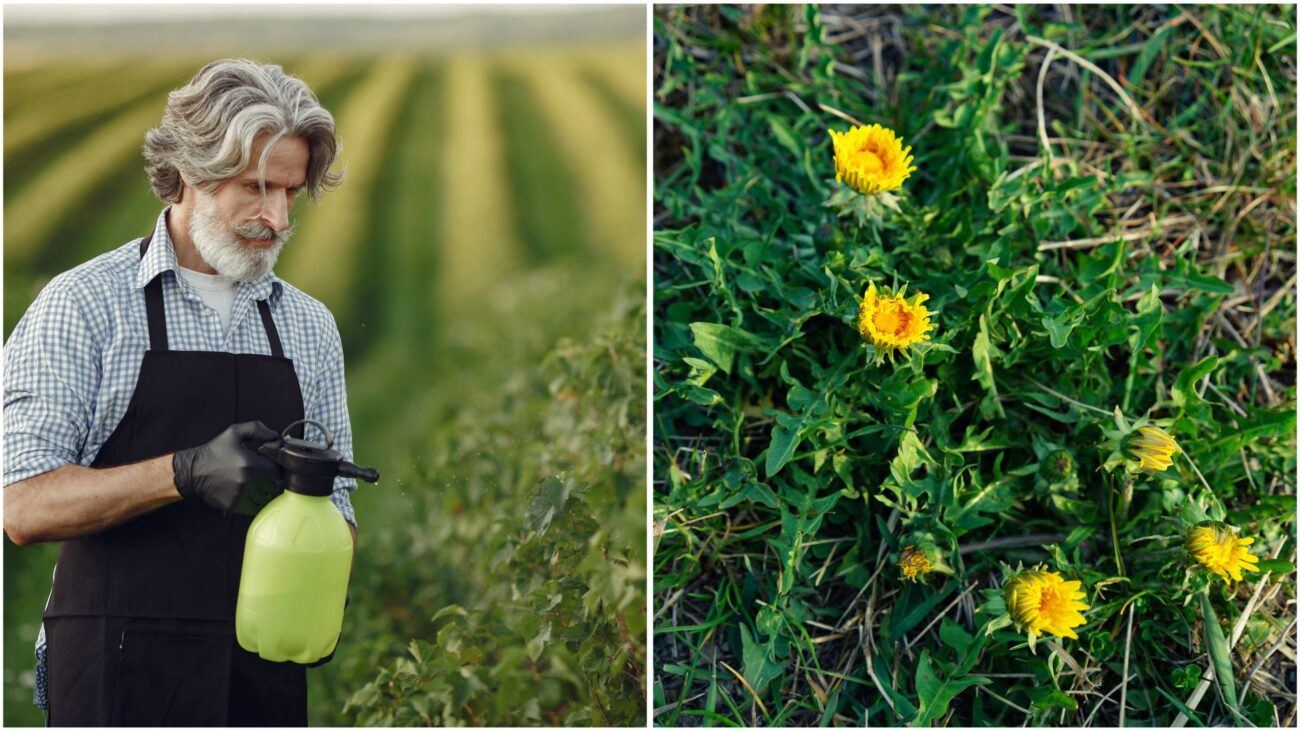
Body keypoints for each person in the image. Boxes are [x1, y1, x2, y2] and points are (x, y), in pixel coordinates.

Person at [3, 58, 358, 726]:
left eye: (291, 192)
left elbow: (341, 509)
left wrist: (317, 548)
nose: (278, 217)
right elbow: (22, 504)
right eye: (256, 188)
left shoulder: (307, 326)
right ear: (191, 170)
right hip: (115, 674)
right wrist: (182, 472)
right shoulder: (85, 304)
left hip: (261, 678)